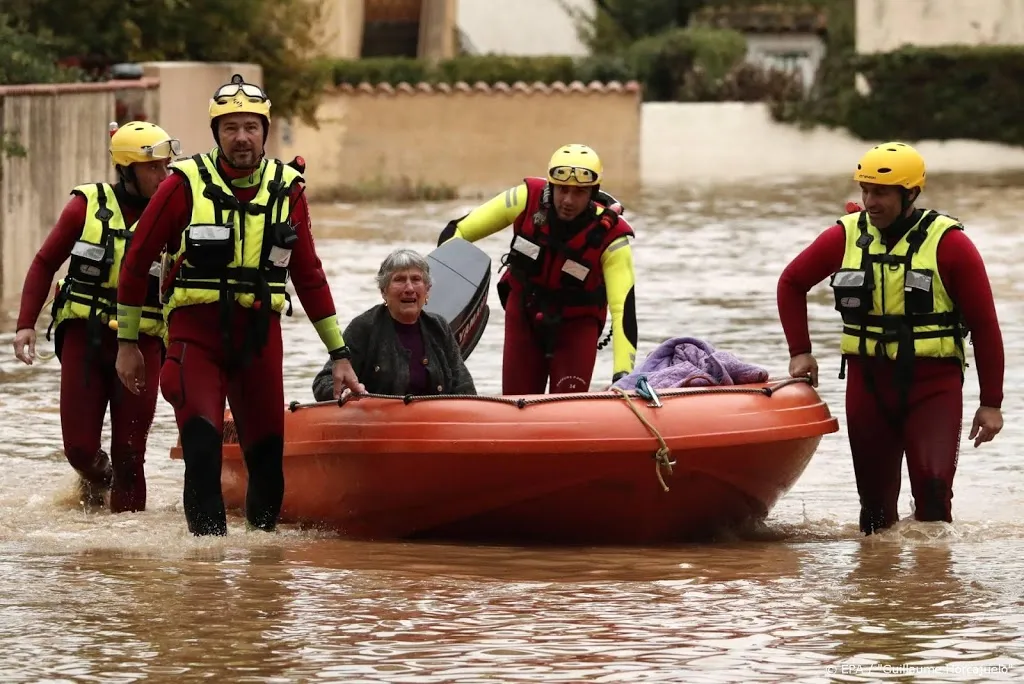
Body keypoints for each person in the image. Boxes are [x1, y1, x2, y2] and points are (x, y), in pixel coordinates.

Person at [113, 74, 364, 537]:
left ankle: (260, 575)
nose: (241, 137)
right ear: (217, 134)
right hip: (195, 338)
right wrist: (128, 342)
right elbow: (136, 262)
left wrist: (340, 354)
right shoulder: (182, 185)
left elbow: (308, 277)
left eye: (250, 126)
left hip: (258, 341)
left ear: (264, 132)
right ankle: (205, 574)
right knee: (203, 452)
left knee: (267, 459)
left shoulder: (288, 190)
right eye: (231, 128)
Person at [776, 141, 1005, 535]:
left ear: (910, 193)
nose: (869, 201)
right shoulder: (844, 237)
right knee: (876, 512)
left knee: (933, 494)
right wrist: (801, 352)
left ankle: (930, 588)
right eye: (864, 191)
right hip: (868, 383)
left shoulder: (951, 245)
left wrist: (991, 404)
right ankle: (879, 589)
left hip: (933, 386)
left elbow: (985, 327)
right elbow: (791, 282)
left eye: (880, 192)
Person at [12, 120, 178, 513]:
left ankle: (124, 557)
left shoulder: (174, 211)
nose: (163, 175)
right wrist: (24, 325)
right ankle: (97, 482)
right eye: (154, 167)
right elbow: (44, 262)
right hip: (84, 338)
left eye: (167, 167)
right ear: (127, 168)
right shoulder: (86, 206)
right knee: (80, 449)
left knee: (131, 456)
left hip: (144, 340)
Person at [437, 143, 637, 395]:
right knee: (516, 403)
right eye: (562, 189)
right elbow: (458, 231)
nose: (568, 200)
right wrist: (439, 292)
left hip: (577, 328)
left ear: (592, 193)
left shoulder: (613, 239)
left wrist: (623, 376)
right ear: (551, 186)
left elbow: (623, 311)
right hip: (524, 317)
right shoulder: (523, 199)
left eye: (579, 192)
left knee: (565, 410)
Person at [311, 248, 476, 401]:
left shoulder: (439, 327)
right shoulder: (364, 327)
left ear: (427, 290)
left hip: (435, 426)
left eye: (416, 279)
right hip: (378, 426)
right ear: (383, 291)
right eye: (399, 280)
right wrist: (347, 392)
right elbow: (323, 382)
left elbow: (465, 388)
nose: (409, 288)